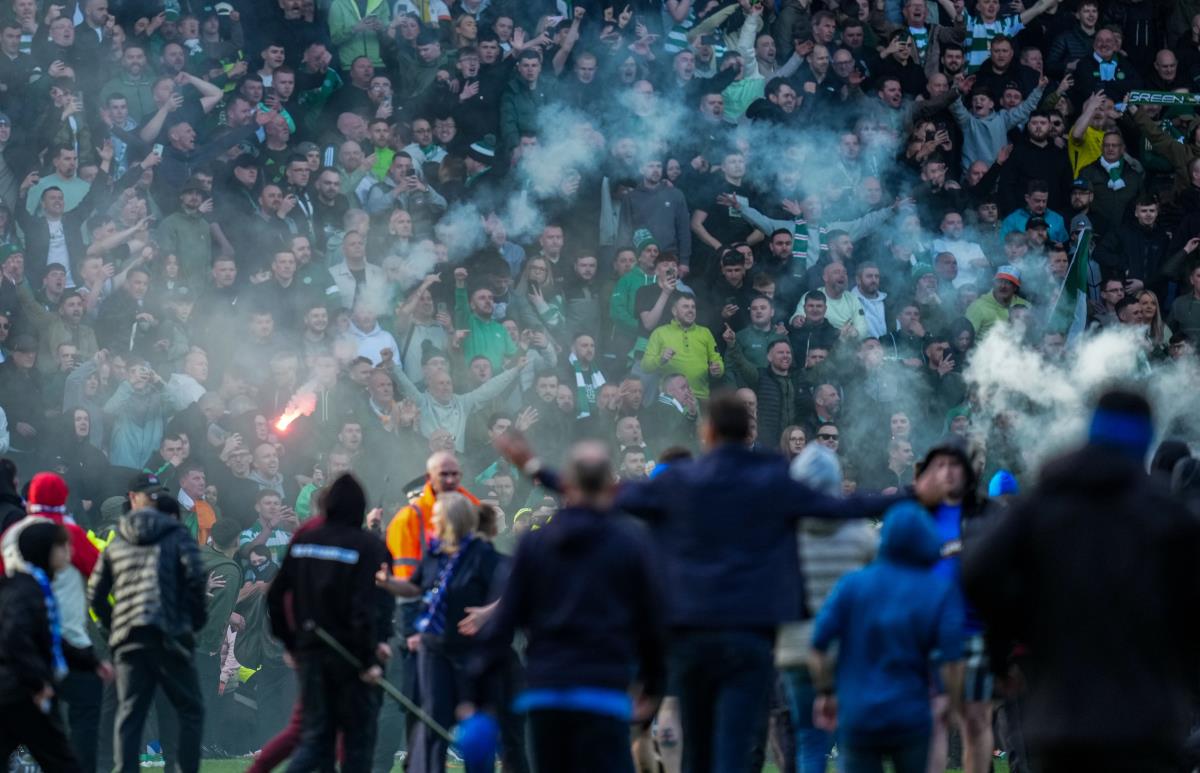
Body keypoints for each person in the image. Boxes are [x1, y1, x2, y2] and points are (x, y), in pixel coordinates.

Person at [497, 394, 952, 773]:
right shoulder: (772, 479)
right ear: (747, 430)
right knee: (734, 747)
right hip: (749, 634)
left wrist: (535, 468)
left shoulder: (680, 481)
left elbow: (603, 494)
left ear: (707, 432)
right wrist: (914, 493)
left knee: (696, 748)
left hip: (690, 632)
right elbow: (842, 507)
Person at [964, 391, 1200, 773]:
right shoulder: (1165, 515)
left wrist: (1006, 645)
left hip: (1062, 719)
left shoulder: (1043, 505)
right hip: (1146, 720)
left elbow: (976, 573)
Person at [464, 440, 667, 773]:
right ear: (611, 486)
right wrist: (654, 684)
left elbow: (503, 621)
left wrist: (476, 695)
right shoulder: (630, 543)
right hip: (603, 689)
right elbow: (651, 622)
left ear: (566, 486)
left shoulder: (535, 543)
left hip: (548, 690)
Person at [810, 500, 964, 773]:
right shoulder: (938, 591)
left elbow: (818, 645)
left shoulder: (852, 584)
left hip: (858, 715)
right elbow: (953, 657)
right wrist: (951, 703)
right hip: (911, 716)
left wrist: (826, 691)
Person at [266, 473, 393, 773]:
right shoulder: (368, 546)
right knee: (357, 742)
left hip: (311, 653)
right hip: (352, 658)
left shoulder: (305, 540)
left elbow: (275, 595)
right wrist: (370, 657)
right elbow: (366, 607)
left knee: (316, 739)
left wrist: (291, 642)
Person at [375, 493, 503, 772]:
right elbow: (415, 587)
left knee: (475, 723)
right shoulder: (434, 554)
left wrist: (487, 613)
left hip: (469, 651)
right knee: (432, 721)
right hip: (433, 650)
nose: (431, 522)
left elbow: (513, 592)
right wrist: (389, 583)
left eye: (436, 517)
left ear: (451, 521)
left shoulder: (482, 555)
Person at [88, 490, 207, 773]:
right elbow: (197, 584)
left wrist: (113, 627)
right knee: (183, 710)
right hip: (170, 639)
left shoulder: (116, 543)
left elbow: (96, 595)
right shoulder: (177, 540)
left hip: (125, 639)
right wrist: (191, 626)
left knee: (127, 712)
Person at [0, 521, 102, 772]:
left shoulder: (34, 586)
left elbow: (50, 638)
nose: (69, 552)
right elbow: (16, 639)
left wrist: (91, 662)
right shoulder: (27, 590)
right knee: (62, 761)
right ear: (45, 550)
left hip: (17, 690)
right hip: (22, 693)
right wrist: (38, 682)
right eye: (62, 546)